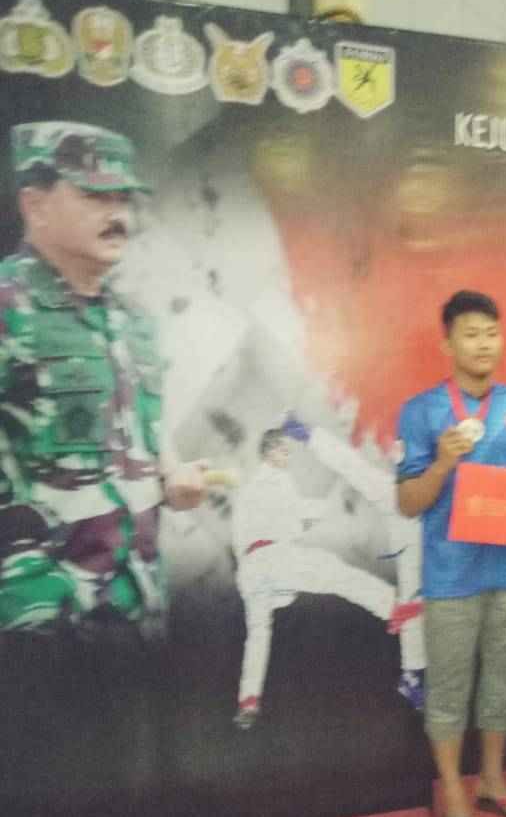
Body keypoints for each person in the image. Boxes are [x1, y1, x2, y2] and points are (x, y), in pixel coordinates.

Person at [0, 121, 209, 642]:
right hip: (36, 618)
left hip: (135, 607)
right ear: (35, 206)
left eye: (122, 197)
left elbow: (144, 430)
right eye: (94, 195)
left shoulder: (134, 320)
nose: (117, 214)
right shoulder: (8, 308)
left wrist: (173, 473)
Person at [395, 290, 506, 817]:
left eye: (492, 333)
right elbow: (408, 503)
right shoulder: (421, 411)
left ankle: (492, 778)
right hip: (451, 576)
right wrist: (443, 461)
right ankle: (453, 791)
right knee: (448, 689)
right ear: (447, 344)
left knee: (505, 682)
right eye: (471, 334)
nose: (484, 344)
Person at [232, 428, 424, 729]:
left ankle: (249, 700)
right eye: (284, 451)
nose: (288, 457)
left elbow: (267, 528)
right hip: (276, 558)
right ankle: (393, 608)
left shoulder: (246, 492)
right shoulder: (276, 479)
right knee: (337, 573)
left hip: (251, 572)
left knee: (258, 633)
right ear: (269, 452)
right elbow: (295, 517)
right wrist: (328, 506)